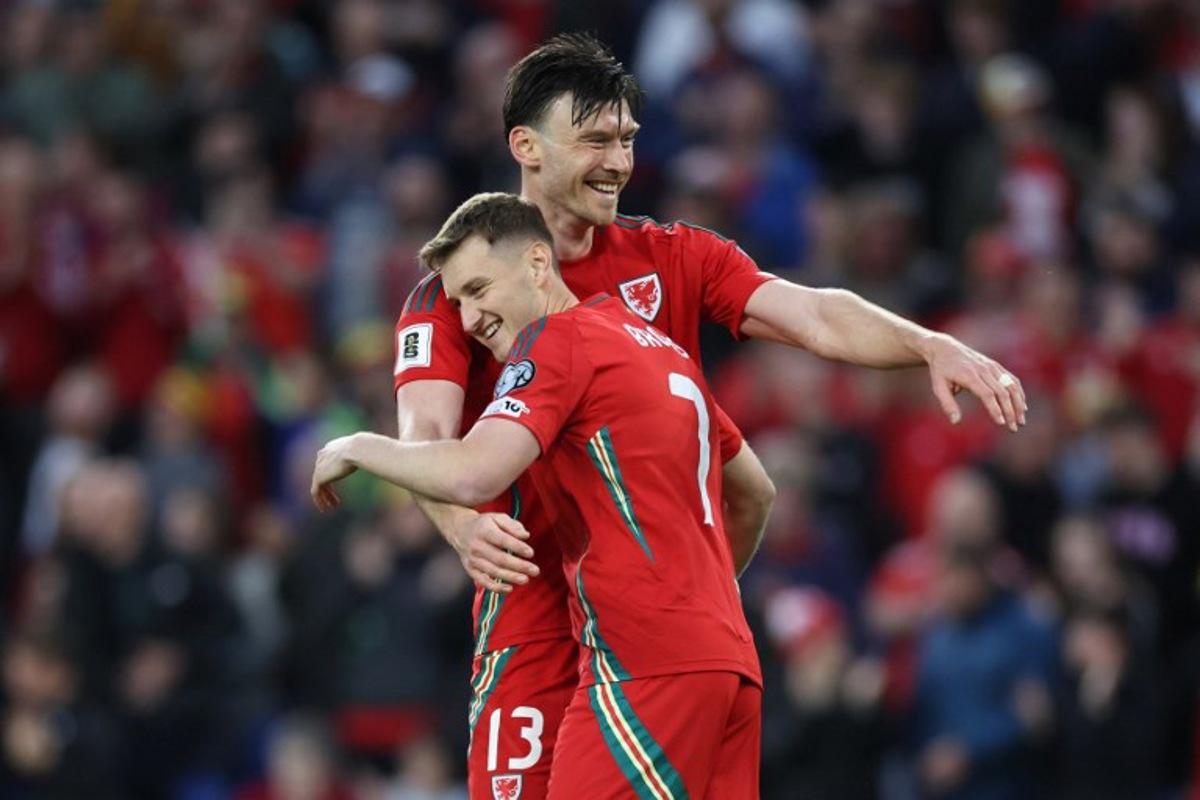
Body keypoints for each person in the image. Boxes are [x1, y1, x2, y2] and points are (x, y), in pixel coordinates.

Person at [393, 33, 1028, 797]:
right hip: (531, 619)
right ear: (526, 146)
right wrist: (462, 529)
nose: (619, 163)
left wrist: (926, 344)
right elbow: (427, 440)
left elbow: (814, 315)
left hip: (639, 639)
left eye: (626, 139)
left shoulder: (673, 257)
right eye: (594, 140)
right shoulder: (456, 291)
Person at [314, 192, 763, 798]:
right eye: (456, 303)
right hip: (729, 663)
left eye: (478, 290)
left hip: (643, 661)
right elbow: (756, 493)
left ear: (535, 262)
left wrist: (360, 447)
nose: (468, 320)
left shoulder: (555, 342)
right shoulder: (660, 349)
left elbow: (476, 473)